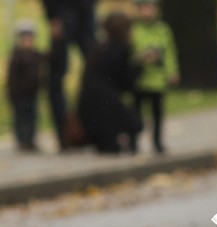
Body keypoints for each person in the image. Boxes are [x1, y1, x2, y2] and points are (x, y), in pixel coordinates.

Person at [77, 12, 142, 154]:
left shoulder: (99, 48)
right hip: (105, 105)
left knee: (108, 143)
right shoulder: (121, 49)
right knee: (135, 124)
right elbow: (125, 81)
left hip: (87, 103)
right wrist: (140, 66)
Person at [42, 0, 98, 151]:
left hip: (85, 10)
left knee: (95, 72)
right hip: (63, 9)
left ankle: (94, 129)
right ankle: (64, 133)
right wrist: (53, 15)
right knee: (57, 75)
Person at [131, 0, 179, 154]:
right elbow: (128, 54)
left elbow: (170, 52)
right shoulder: (134, 30)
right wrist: (141, 58)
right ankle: (133, 142)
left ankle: (157, 142)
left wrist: (172, 72)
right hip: (140, 79)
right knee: (136, 113)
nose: (147, 12)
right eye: (144, 8)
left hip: (158, 80)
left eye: (150, 8)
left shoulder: (163, 29)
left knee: (158, 113)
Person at [6, 20, 45, 152]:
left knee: (32, 117)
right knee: (21, 117)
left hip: (32, 93)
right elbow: (12, 78)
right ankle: (22, 140)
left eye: (30, 38)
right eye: (25, 38)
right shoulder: (16, 56)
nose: (27, 41)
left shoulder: (36, 55)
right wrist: (12, 94)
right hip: (20, 94)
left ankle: (30, 139)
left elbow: (50, 57)